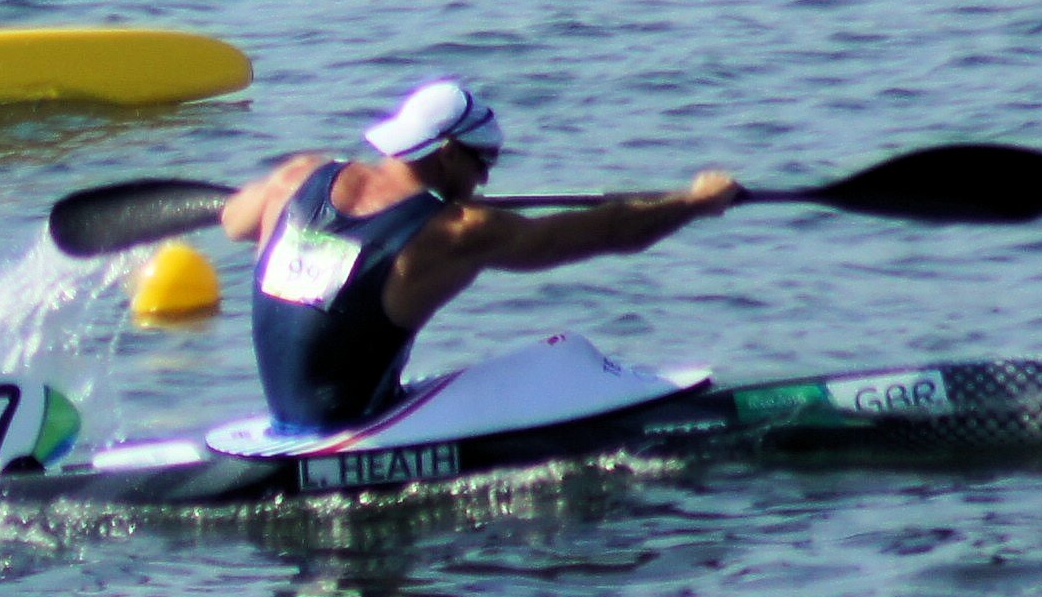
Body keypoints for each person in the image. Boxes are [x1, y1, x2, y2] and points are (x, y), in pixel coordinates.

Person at [212, 78, 740, 436]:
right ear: (445, 154)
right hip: (358, 428)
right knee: (563, 355)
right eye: (483, 162)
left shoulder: (298, 175)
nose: (486, 179)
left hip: (287, 424)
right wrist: (694, 203)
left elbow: (234, 220)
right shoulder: (456, 232)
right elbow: (606, 233)